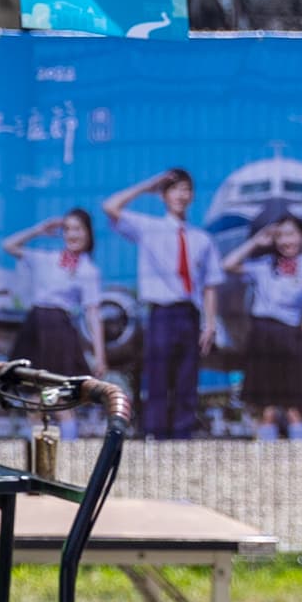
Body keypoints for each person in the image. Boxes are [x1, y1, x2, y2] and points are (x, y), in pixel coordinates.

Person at [100, 169, 218, 439]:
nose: (181, 195)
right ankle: (156, 433)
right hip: (161, 312)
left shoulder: (202, 238)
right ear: (163, 195)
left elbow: (211, 284)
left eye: (186, 189)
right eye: (175, 189)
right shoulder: (148, 227)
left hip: (189, 312)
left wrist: (210, 323)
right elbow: (111, 207)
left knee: (187, 377)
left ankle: (183, 433)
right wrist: (147, 185)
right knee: (158, 376)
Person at [232, 213, 302, 440]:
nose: (286, 241)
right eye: (280, 235)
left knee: (295, 408)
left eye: (291, 234)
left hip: (291, 337)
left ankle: (300, 462)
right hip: (262, 336)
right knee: (268, 409)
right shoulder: (263, 266)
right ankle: (266, 464)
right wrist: (256, 241)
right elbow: (229, 264)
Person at [1, 210, 107, 391]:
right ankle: (36, 421)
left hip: (59, 327)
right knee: (32, 393)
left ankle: (67, 422)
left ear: (88, 233)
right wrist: (39, 230)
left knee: (58, 392)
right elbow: (9, 245)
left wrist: (100, 355)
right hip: (36, 321)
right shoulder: (47, 258)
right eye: (67, 229)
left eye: (77, 229)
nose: (72, 234)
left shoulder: (88, 270)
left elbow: (93, 313)